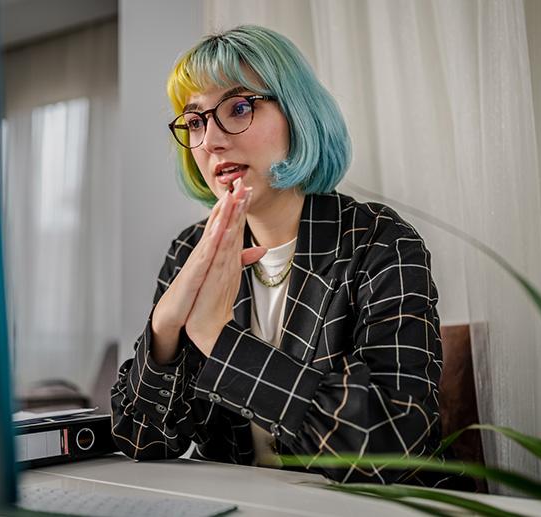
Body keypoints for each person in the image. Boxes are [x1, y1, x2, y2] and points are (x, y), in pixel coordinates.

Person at [110, 25, 447, 486]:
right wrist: (166, 328)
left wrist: (213, 335)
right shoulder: (191, 249)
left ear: (298, 114)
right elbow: (141, 439)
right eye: (195, 122)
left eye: (239, 107)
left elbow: (393, 447)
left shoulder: (380, 243)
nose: (211, 142)